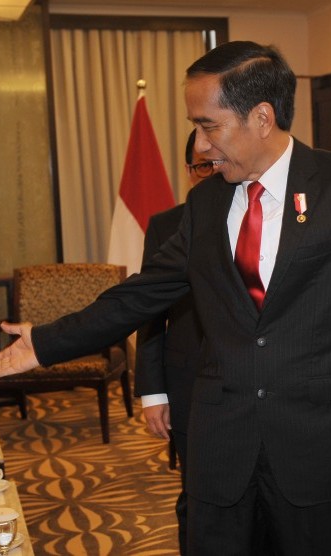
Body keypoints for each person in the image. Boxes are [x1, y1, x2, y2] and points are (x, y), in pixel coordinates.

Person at [0, 40, 331, 555]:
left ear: (262, 118)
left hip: (318, 448)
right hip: (221, 450)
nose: (199, 146)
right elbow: (141, 295)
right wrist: (45, 342)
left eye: (208, 125)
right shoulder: (205, 203)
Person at [134, 129, 211, 553]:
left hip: (255, 388)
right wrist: (152, 392)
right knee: (197, 496)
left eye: (218, 163)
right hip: (188, 385)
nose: (211, 173)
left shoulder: (266, 218)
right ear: (189, 172)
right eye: (202, 166)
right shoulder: (166, 226)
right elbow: (148, 312)